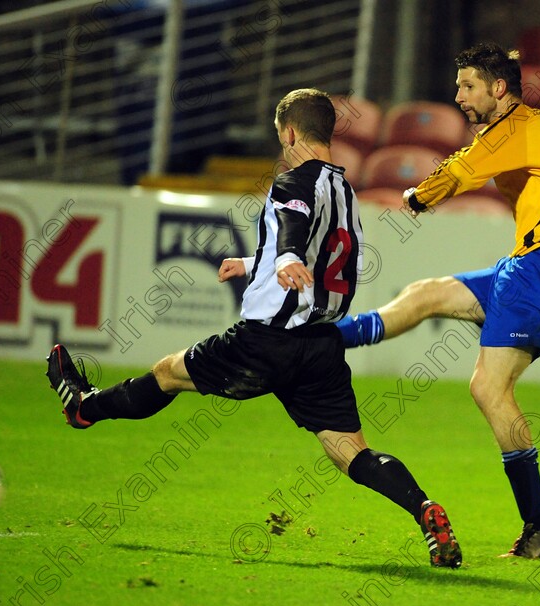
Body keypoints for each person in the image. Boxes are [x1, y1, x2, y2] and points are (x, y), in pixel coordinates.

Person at [46, 88, 462, 569]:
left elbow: (293, 228)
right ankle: (424, 509)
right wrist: (254, 262)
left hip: (266, 342)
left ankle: (84, 407)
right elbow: (324, 248)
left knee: (167, 373)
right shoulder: (345, 189)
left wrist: (282, 256)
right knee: (350, 452)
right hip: (321, 346)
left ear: (289, 133)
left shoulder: (290, 182)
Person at [336, 43, 540, 560]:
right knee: (427, 294)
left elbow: (463, 168)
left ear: (498, 89)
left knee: (488, 387)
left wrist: (418, 196)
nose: (458, 96)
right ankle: (325, 337)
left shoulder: (513, 127)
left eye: (468, 86)